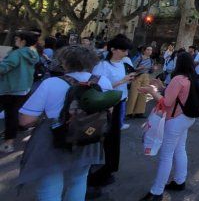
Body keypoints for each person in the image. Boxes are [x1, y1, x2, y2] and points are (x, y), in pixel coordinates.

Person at [16, 45, 115, 200]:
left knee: (50, 184)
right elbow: (109, 112)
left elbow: (25, 120)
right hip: (89, 136)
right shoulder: (103, 82)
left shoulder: (51, 83)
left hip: (55, 139)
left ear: (65, 63)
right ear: (93, 63)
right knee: (79, 180)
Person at [138, 52, 196, 201]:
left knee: (166, 155)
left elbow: (167, 103)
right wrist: (163, 87)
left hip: (175, 119)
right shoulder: (191, 78)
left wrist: (152, 91)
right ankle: (179, 181)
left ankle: (156, 192)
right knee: (180, 149)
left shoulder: (178, 79)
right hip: (188, 118)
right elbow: (177, 97)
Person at [87, 34, 135, 189]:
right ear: (113, 49)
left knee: (114, 139)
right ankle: (96, 172)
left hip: (120, 102)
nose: (126, 53)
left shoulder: (124, 63)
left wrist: (130, 79)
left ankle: (109, 168)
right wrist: (121, 81)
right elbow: (96, 87)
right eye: (123, 50)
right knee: (103, 138)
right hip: (106, 105)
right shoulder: (102, 66)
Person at [0, 32, 39, 153]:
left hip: (9, 88)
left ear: (23, 41)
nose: (15, 41)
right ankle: (8, 143)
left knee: (10, 114)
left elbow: (4, 68)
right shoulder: (33, 53)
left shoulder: (17, 53)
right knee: (12, 115)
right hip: (23, 88)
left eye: (17, 39)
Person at [127, 46, 154, 118]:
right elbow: (132, 67)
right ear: (144, 51)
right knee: (133, 94)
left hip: (146, 77)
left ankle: (139, 112)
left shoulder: (151, 60)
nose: (149, 51)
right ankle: (129, 113)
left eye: (151, 50)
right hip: (138, 76)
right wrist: (139, 68)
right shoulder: (139, 58)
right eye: (148, 49)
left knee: (143, 95)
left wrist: (153, 69)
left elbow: (150, 71)